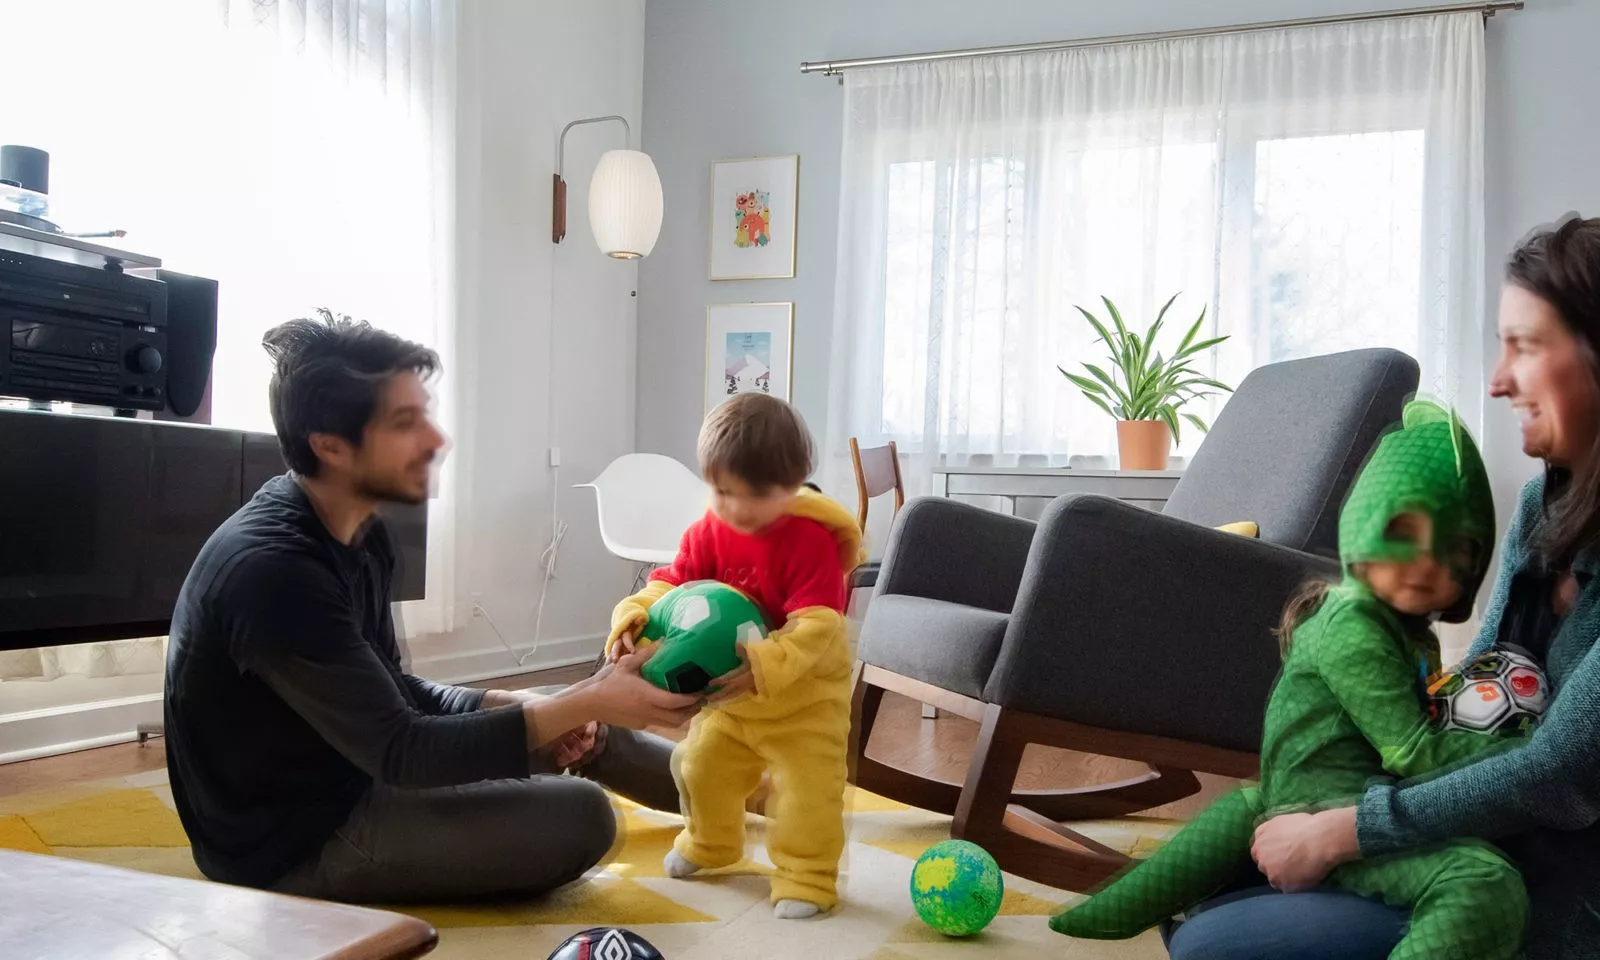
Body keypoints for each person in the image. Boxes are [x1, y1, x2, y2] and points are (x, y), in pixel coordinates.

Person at [1169, 216, 1600, 959]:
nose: (1497, 381)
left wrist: (1346, 829)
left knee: (1218, 945)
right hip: (1487, 840)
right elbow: (1479, 692)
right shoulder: (1543, 505)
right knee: (1201, 911)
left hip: (1564, 898)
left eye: (1525, 346)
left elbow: (1557, 773)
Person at [163, 309, 700, 903]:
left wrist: (516, 703)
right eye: (405, 423)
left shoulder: (358, 529)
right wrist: (577, 702)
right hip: (291, 840)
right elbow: (404, 750)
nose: (437, 441)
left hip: (358, 771)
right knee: (583, 814)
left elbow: (394, 689)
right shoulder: (273, 572)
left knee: (577, 717)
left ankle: (744, 793)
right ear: (331, 446)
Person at [1054, 400, 1532, 959]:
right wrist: (1519, 747)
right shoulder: (1354, 622)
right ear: (1366, 525)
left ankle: (1122, 912)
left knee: (1239, 827)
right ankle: (1113, 914)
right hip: (1326, 814)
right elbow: (1415, 755)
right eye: (1406, 532)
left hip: (1312, 803)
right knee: (1483, 880)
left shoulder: (1404, 629)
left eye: (1455, 552)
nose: (1427, 564)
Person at [606, 393, 864, 919]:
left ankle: (807, 876)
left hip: (804, 701)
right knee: (699, 767)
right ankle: (712, 843)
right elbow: (671, 585)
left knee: (806, 795)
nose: (736, 508)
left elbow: (817, 627)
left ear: (790, 488)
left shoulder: (807, 542)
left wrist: (765, 665)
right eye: (722, 492)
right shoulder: (709, 531)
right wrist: (633, 617)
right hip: (732, 701)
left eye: (755, 495)